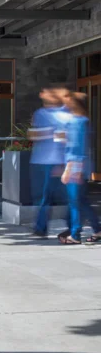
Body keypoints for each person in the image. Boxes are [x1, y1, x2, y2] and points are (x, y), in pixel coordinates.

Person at [59, 91, 101, 245]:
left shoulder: (77, 122)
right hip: (78, 166)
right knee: (82, 201)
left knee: (74, 202)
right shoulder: (80, 121)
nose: (64, 105)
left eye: (67, 102)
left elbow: (77, 148)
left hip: (75, 166)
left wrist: (69, 169)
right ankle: (97, 229)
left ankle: (75, 235)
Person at [29, 88, 70, 238]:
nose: (43, 94)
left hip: (58, 162)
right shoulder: (40, 113)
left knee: (68, 197)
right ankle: (40, 228)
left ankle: (74, 227)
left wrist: (62, 164)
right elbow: (32, 134)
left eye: (47, 92)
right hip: (40, 162)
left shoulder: (65, 113)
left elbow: (65, 138)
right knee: (43, 197)